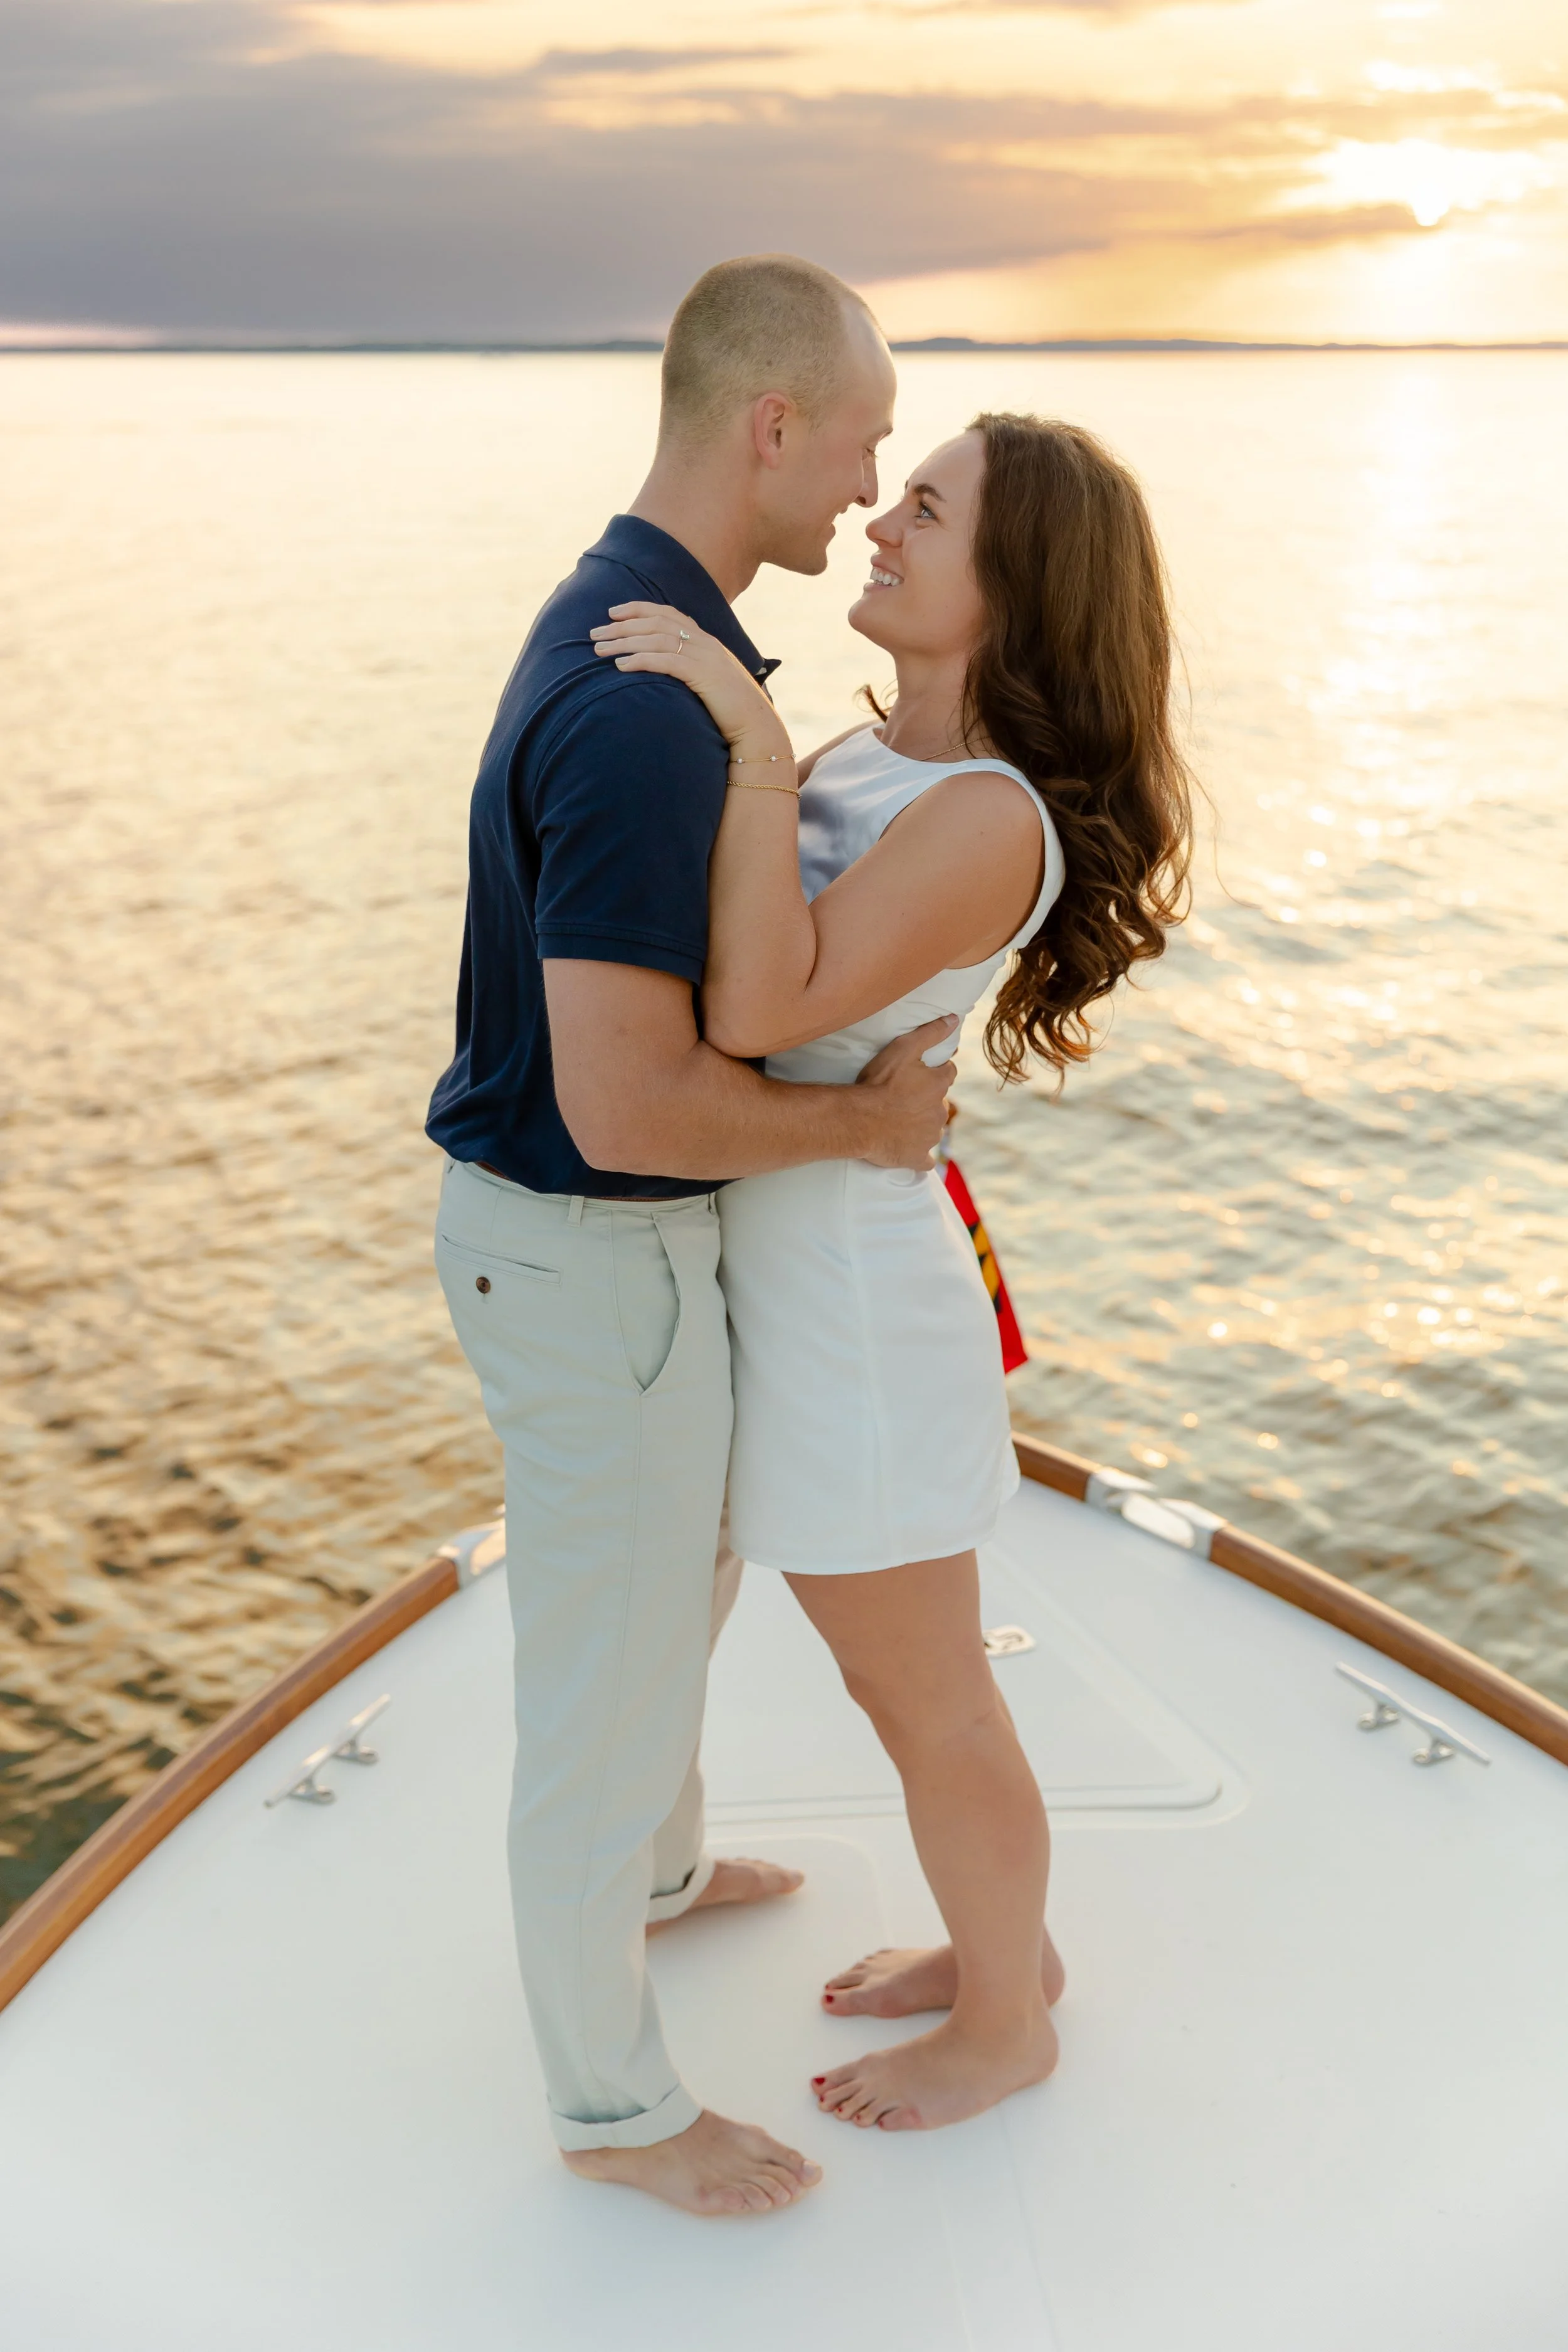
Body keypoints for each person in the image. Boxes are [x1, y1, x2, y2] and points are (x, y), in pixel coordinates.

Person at [590, 408, 1195, 2132]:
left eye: (925, 510)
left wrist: (743, 734)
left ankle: (1008, 2015)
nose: (881, 522)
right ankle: (1006, 1952)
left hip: (854, 1312)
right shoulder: (874, 769)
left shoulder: (985, 815)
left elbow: (762, 1009)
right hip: (801, 1285)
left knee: (925, 1690)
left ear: (1014, 584)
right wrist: (766, 756)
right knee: (900, 1683)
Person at [425, 255, 956, 2218]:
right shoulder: (651, 708)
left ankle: (654, 1879)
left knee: (675, 1602)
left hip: (595, 1262)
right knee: (609, 1686)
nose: (869, 482)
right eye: (863, 438)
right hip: (587, 1257)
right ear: (770, 427)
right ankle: (613, 2111)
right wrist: (865, 1121)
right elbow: (624, 1102)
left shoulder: (633, 629)